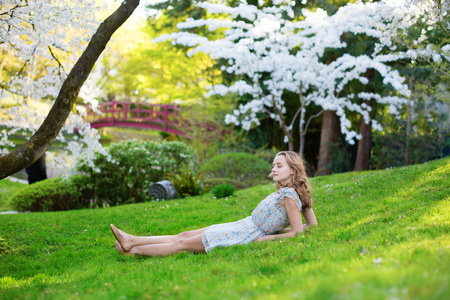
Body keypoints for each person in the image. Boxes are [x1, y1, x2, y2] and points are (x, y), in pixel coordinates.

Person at [110, 151, 317, 256]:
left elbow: (298, 233)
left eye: (278, 165)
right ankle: (133, 240)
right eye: (273, 165)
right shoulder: (290, 193)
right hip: (242, 225)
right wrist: (281, 229)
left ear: (292, 170)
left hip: (244, 234)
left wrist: (271, 237)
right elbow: (312, 226)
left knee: (181, 245)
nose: (273, 169)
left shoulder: (289, 197)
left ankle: (133, 249)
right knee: (182, 236)